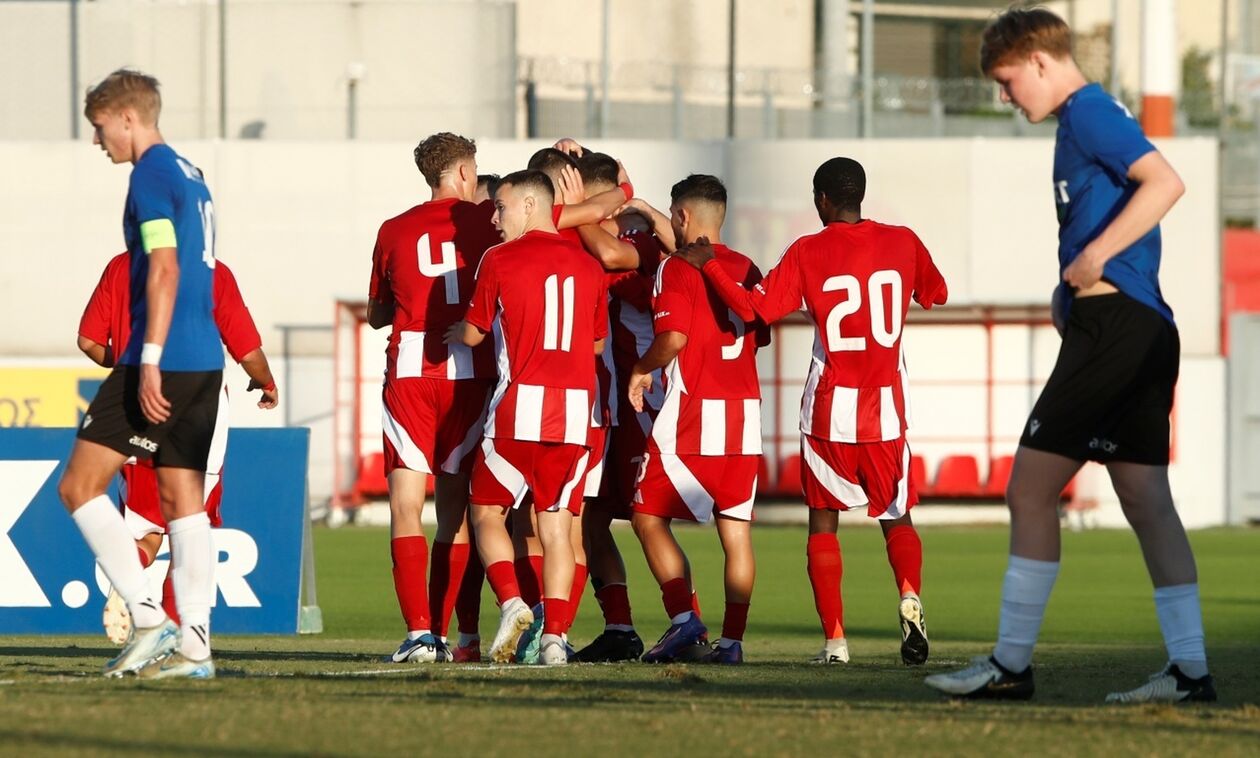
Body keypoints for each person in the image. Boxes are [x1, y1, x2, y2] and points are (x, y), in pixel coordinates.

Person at [924, 7, 1213, 703]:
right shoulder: (1084, 118)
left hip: (1115, 327)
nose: (1004, 95)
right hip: (1140, 325)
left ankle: (1011, 665)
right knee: (1146, 499)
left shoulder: (1086, 113)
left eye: (1006, 78)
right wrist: (1071, 286)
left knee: (1027, 488)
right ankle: (1190, 672)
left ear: (1042, 62)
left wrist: (1091, 260)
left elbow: (1166, 181)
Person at [673, 161, 946, 666]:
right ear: (861, 196)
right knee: (897, 516)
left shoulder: (807, 250)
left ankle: (836, 642)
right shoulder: (904, 241)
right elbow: (936, 293)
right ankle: (909, 592)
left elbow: (754, 310)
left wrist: (709, 264)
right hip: (886, 411)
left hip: (828, 416)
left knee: (823, 526)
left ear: (822, 199)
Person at [59, 69, 225, 679]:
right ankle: (196, 649)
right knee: (185, 503)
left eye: (101, 128)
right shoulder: (192, 174)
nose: (99, 141)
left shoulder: (151, 174)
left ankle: (151, 620)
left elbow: (164, 268)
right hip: (205, 358)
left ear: (128, 117)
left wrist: (148, 359)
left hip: (164, 358)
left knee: (79, 486)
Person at [450, 169, 609, 665]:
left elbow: (475, 333)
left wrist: (455, 330)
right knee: (558, 528)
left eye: (500, 207)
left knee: (485, 512)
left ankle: (514, 602)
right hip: (576, 412)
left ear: (528, 206)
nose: (495, 218)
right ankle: (556, 640)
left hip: (520, 408)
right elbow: (598, 342)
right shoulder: (589, 266)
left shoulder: (498, 258)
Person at [78, 251, 278, 643]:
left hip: (133, 401)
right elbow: (248, 351)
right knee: (188, 525)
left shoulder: (121, 266)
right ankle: (177, 637)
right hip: (195, 403)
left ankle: (130, 588)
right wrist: (267, 382)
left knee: (147, 528)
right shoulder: (212, 272)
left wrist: (123, 364)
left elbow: (88, 341)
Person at [367, 132, 501, 664]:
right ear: (466, 173)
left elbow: (378, 311)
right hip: (471, 374)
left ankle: (419, 633)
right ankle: (445, 634)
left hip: (410, 372)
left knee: (405, 505)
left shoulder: (393, 229)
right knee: (455, 513)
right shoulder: (490, 223)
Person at [629, 174, 767, 664]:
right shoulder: (747, 268)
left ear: (682, 217)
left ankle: (685, 618)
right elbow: (758, 330)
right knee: (736, 533)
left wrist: (641, 370)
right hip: (745, 417)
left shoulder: (675, 269)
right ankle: (732, 644)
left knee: (647, 516)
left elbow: (674, 340)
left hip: (693, 412)